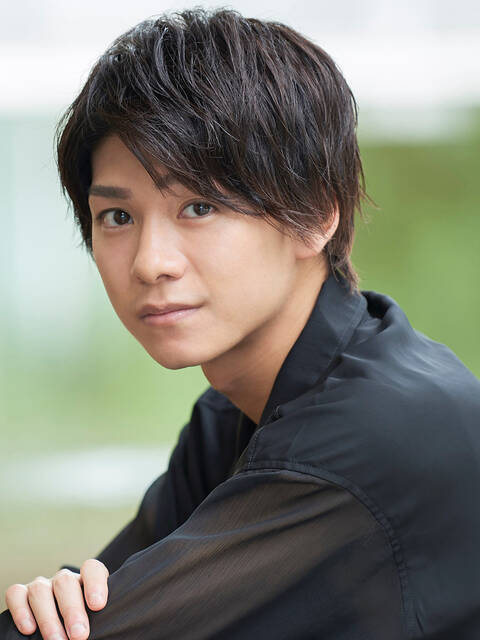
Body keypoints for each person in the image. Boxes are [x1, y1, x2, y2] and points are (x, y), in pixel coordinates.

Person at [2, 7, 480, 640]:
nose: (150, 262)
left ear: (315, 215)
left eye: (199, 207)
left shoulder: (358, 445)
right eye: (117, 217)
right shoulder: (235, 413)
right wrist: (58, 600)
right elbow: (99, 610)